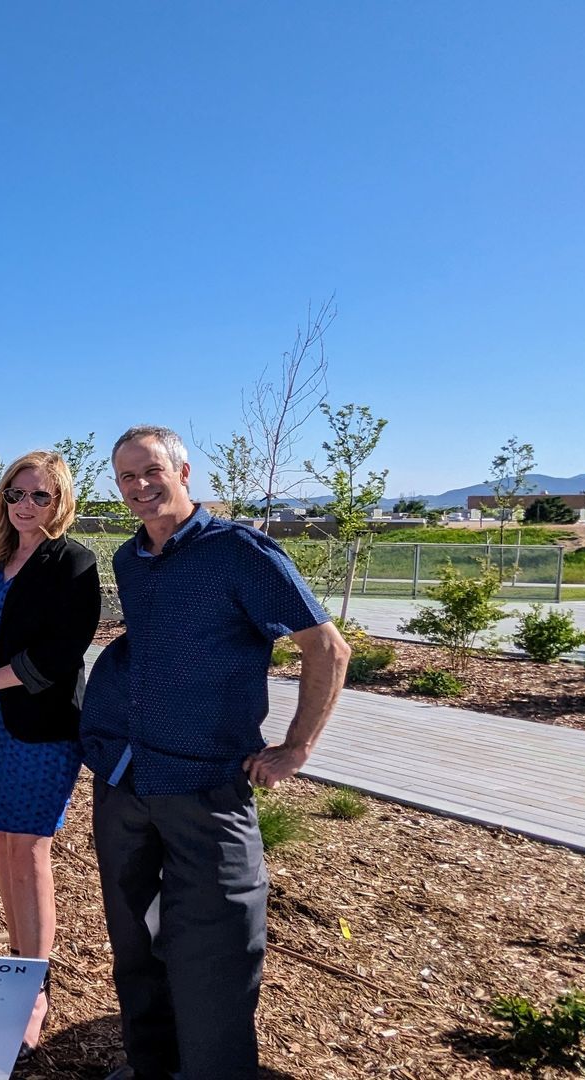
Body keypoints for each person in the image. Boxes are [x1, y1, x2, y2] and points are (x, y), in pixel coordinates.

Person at [82, 425, 350, 1080]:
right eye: (126, 478)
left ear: (183, 471)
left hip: (205, 787)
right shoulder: (129, 558)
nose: (140, 487)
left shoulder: (240, 553)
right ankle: (151, 1066)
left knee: (218, 950)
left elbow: (328, 649)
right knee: (136, 942)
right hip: (127, 777)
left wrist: (296, 747)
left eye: (151, 472)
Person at [0, 450, 101, 1058]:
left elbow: (62, 654)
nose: (26, 504)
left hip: (39, 731)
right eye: (17, 492)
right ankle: (15, 964)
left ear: (60, 501)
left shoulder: (72, 562)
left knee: (31, 849)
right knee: (2, 842)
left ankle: (35, 985)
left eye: (40, 495)